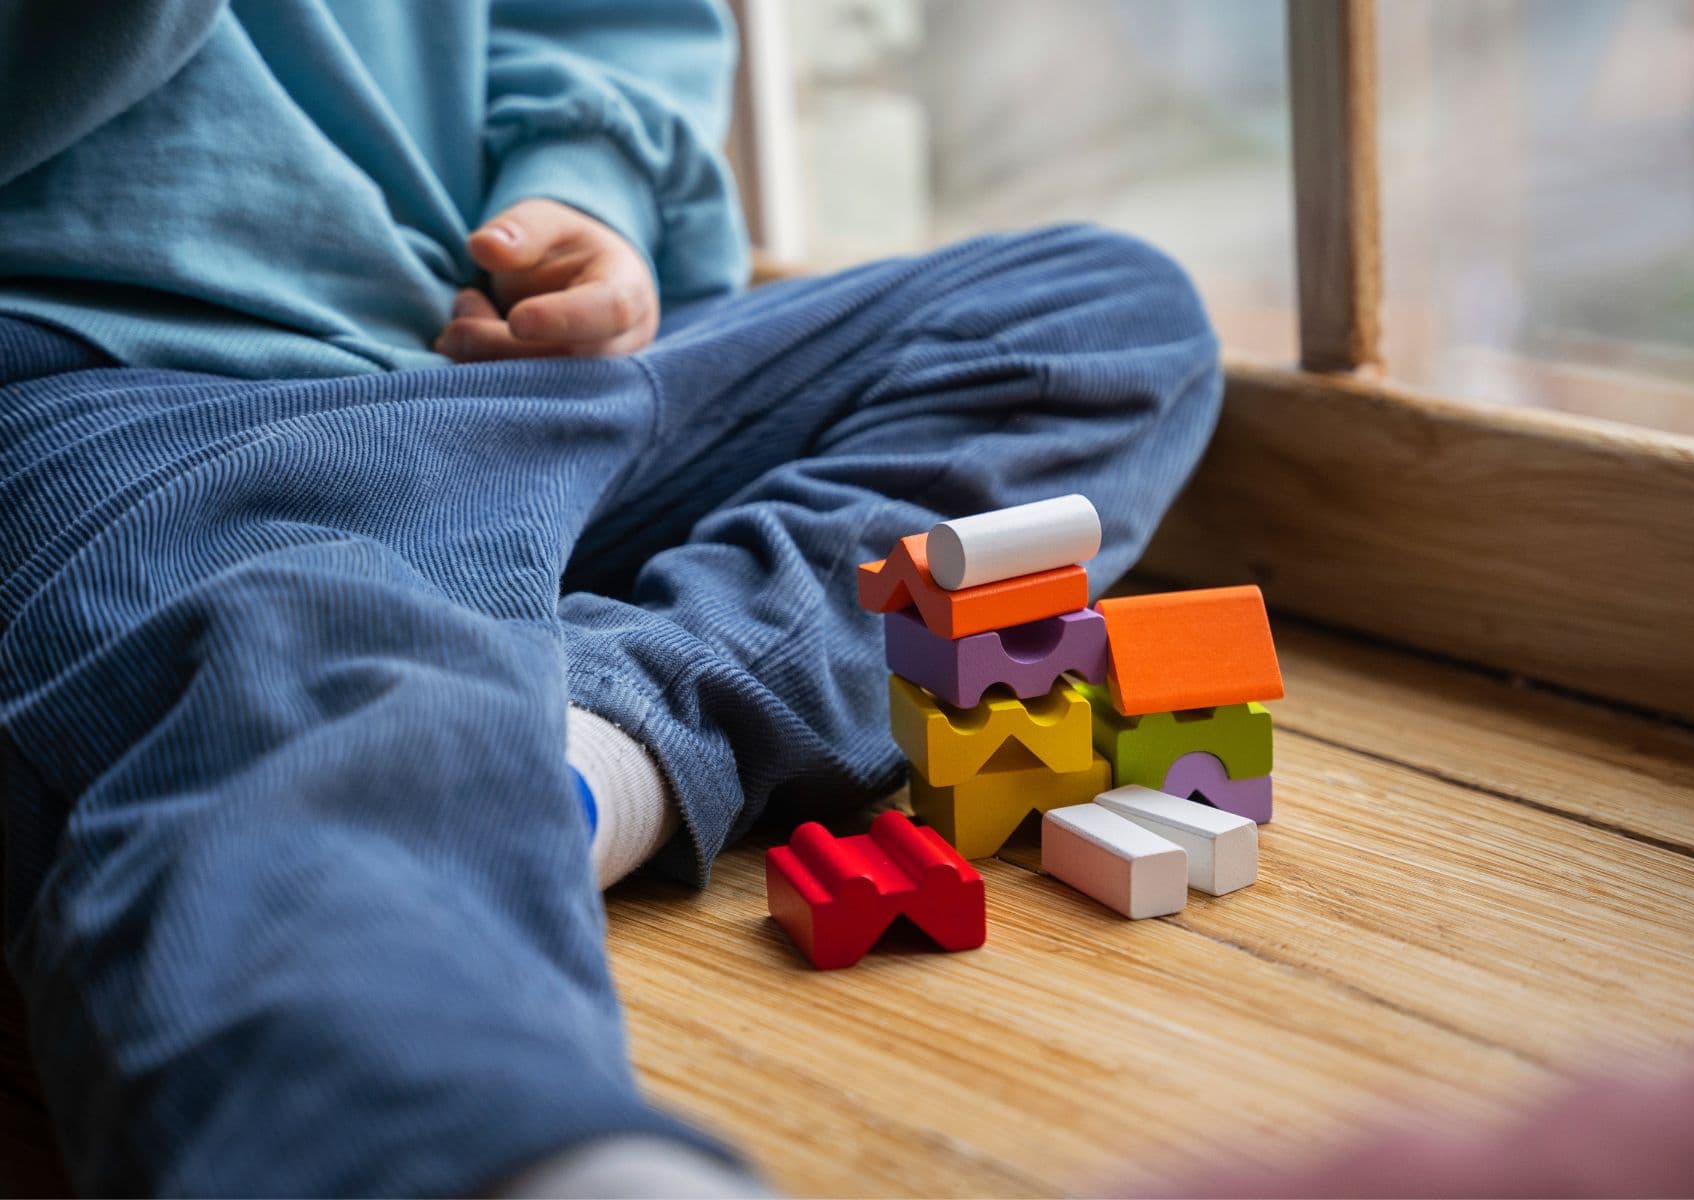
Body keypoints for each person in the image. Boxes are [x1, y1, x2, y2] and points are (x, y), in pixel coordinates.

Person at [0, 1, 1221, 1194]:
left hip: (500, 363)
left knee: (1099, 313)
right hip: (119, 404)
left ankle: (587, 748)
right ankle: (506, 1122)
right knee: (308, 701)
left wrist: (583, 192)